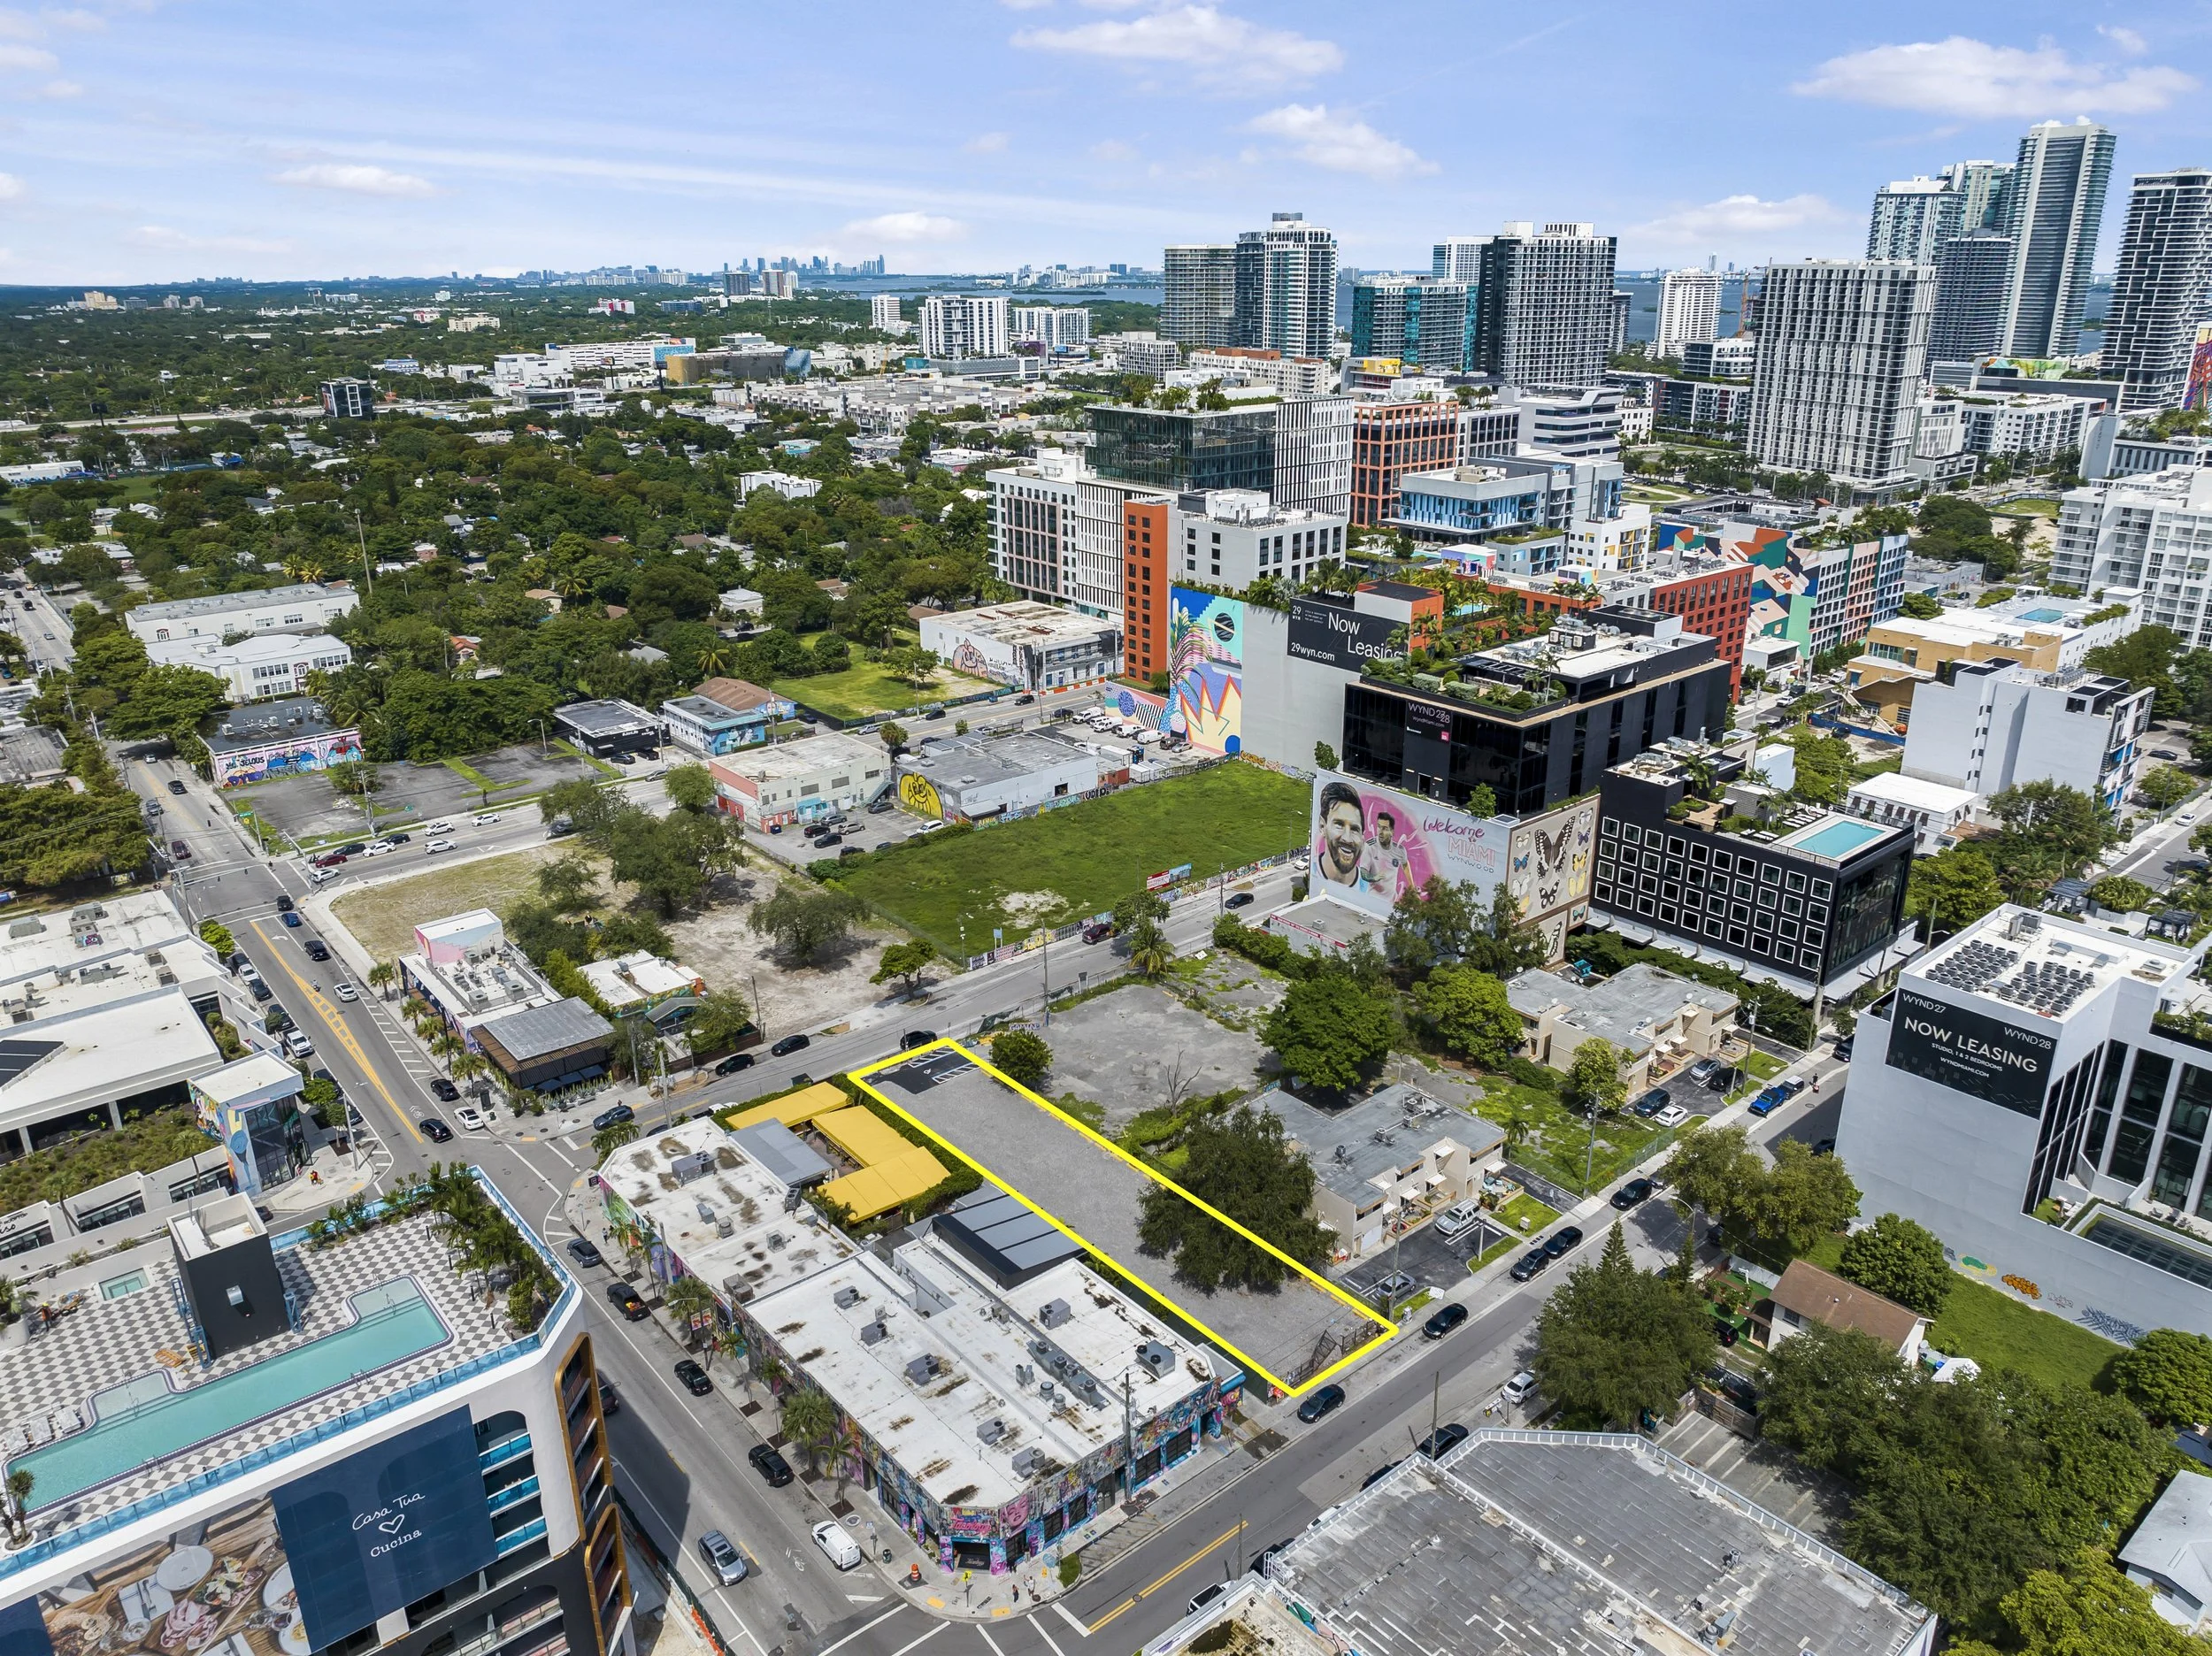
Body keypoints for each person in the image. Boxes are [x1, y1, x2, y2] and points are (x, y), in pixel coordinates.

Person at [1315, 780, 1367, 891]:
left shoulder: (1371, 889)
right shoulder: (1314, 872)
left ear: (1363, 839)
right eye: (1339, 825)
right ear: (1322, 826)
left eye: (1354, 829)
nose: (1347, 838)